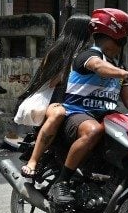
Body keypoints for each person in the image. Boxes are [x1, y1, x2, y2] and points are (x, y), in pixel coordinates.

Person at [49, 8, 128, 206]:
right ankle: (61, 182)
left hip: (105, 116)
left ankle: (113, 185)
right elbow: (98, 67)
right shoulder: (87, 56)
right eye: (122, 39)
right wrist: (125, 74)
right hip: (77, 114)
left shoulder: (117, 68)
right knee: (93, 130)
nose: (123, 45)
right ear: (114, 36)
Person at [14, 14, 92, 180]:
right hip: (55, 98)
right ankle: (33, 161)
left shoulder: (91, 53)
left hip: (79, 101)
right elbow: (52, 83)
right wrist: (71, 69)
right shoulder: (58, 52)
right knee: (58, 114)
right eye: (90, 29)